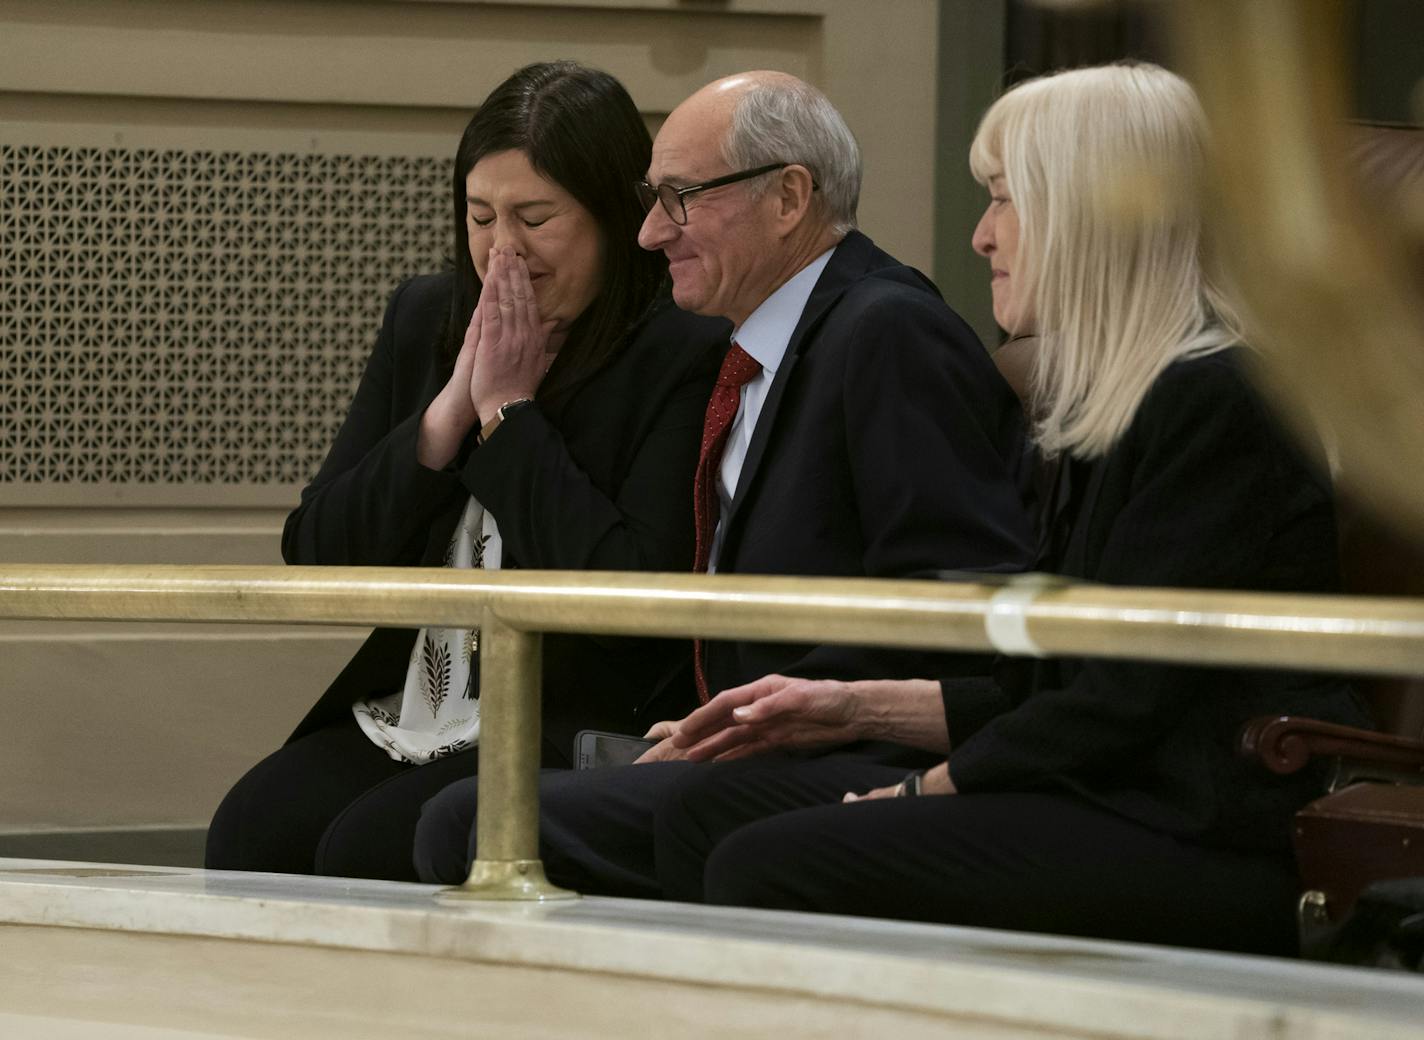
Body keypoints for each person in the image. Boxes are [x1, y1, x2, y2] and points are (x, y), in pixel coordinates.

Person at [640, 62, 1373, 956]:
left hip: (1193, 821)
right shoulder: (1104, 399)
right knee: (699, 817)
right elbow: (1048, 680)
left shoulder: (1221, 396)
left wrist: (931, 788)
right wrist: (849, 706)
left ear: (1097, 211)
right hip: (1097, 784)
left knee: (764, 863)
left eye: (1004, 200)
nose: (983, 237)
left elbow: (1120, 699)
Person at [413, 71, 1035, 890]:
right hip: (743, 739)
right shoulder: (767, 341)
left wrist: (776, 710)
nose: (647, 233)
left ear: (788, 198)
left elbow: (956, 600)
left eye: (680, 197)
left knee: (471, 822)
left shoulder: (887, 329)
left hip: (853, 750)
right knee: (458, 811)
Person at [204, 61, 729, 880]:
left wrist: (510, 415)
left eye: (536, 217)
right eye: (481, 216)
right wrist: (447, 415)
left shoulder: (681, 350)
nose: (503, 249)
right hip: (415, 701)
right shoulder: (428, 315)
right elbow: (316, 549)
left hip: (570, 708)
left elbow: (629, 590)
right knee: (252, 829)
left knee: (367, 849)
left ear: (615, 216)